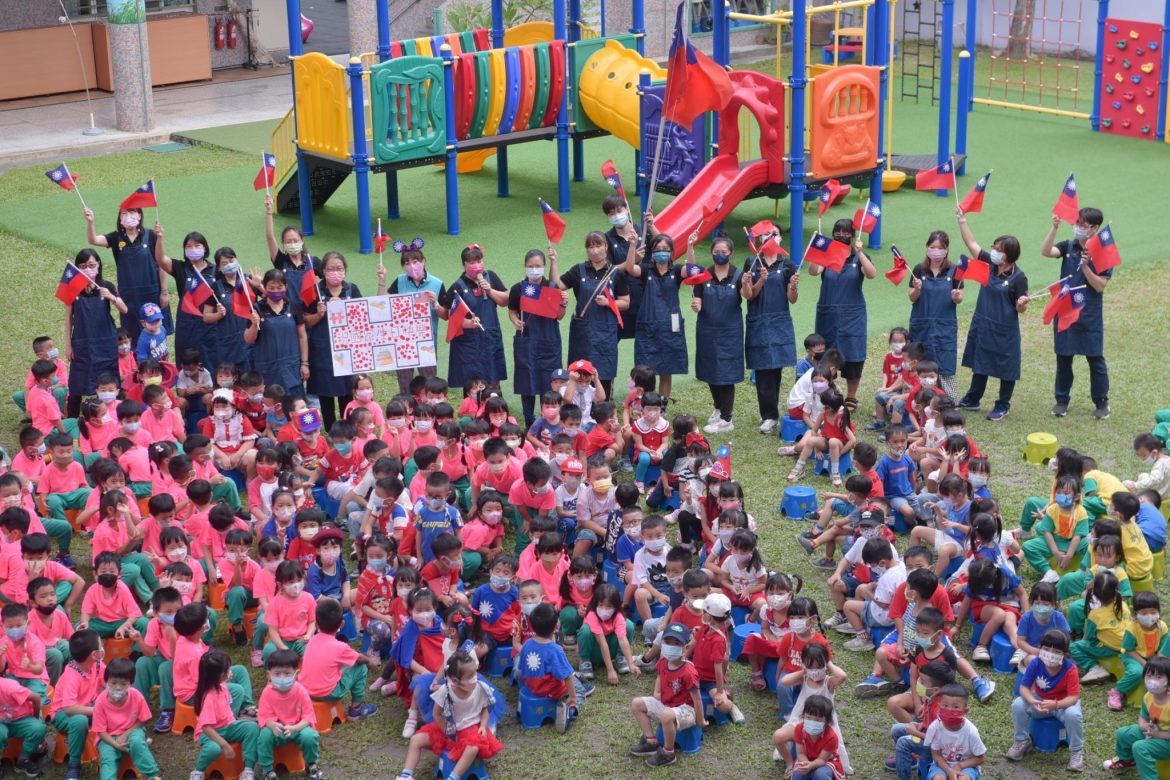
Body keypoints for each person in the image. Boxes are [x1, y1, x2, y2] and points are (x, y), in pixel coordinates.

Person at [954, 209, 1030, 421]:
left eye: (999, 250)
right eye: (994, 248)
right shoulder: (989, 263)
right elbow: (972, 244)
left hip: (1005, 329)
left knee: (1006, 367)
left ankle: (1003, 404)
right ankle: (973, 398)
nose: (994, 252)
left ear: (1009, 256)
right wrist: (962, 220)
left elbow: (1020, 308)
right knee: (980, 361)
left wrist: (1022, 303)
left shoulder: (1018, 277)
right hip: (983, 322)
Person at [1040, 207, 1112, 418]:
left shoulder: (1104, 251)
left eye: (1083, 224)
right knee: (1064, 357)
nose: (1078, 227)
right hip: (1065, 311)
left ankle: (1101, 402)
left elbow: (1100, 286)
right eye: (1077, 222)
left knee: (1095, 358)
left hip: (1089, 314)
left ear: (1095, 228)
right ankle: (1061, 401)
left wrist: (1087, 266)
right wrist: (1054, 228)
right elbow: (1046, 251)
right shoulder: (1069, 246)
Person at [394, 650, 504, 780]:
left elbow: (486, 708)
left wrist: (483, 725)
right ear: (456, 681)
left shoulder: (480, 688)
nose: (474, 679)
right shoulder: (445, 691)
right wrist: (447, 731)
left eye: (475, 673)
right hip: (448, 729)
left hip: (471, 730)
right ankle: (406, 775)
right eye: (469, 677)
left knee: (473, 748)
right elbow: (437, 714)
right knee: (415, 740)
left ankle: (453, 777)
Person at [305, 251, 381, 430]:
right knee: (325, 393)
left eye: (339, 268)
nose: (335, 272)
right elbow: (306, 320)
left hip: (347, 349)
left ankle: (348, 428)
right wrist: (320, 313)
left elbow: (363, 316)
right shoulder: (315, 291)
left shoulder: (352, 289)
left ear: (345, 270)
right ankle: (332, 430)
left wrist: (344, 308)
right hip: (322, 349)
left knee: (346, 389)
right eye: (330, 269)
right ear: (323, 271)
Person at [808, 219, 876, 407]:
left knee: (853, 356)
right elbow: (813, 271)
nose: (842, 235)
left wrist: (860, 252)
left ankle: (851, 396)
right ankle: (830, 392)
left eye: (846, 232)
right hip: (828, 314)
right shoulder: (827, 255)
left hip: (852, 316)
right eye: (838, 231)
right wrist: (817, 251)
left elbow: (871, 274)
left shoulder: (858, 258)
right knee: (826, 354)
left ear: (853, 235)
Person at [559, 231, 631, 399]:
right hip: (582, 331)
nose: (594, 250)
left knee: (603, 372)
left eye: (598, 245)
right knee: (579, 371)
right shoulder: (578, 270)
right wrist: (554, 262)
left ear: (606, 247)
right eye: (590, 246)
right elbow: (558, 285)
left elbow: (626, 303)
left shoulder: (616, 273)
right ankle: (577, 410)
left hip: (605, 332)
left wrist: (608, 303)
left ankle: (602, 410)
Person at [689, 232, 749, 434]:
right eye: (716, 251)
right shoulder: (703, 275)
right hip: (707, 331)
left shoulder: (739, 275)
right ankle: (717, 408)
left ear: (731, 253)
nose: (720, 254)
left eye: (724, 251)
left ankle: (727, 418)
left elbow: (747, 296)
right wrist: (696, 305)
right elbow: (697, 300)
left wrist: (748, 285)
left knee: (727, 374)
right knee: (710, 371)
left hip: (730, 333)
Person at [742, 222, 798, 435]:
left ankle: (770, 409)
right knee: (763, 369)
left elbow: (792, 299)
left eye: (774, 233)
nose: (770, 237)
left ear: (780, 237)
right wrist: (759, 281)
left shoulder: (787, 264)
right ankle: (769, 415)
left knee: (775, 369)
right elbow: (748, 295)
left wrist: (792, 286)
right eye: (765, 234)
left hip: (780, 322)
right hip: (758, 320)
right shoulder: (752, 262)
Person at [84, 204, 170, 341]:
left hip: (151, 292)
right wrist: (90, 222)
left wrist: (164, 291)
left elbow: (161, 264)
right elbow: (93, 240)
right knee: (132, 334)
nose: (128, 216)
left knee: (156, 333)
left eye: (132, 212)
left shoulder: (152, 235)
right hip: (129, 296)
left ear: (140, 215)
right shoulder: (116, 237)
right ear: (120, 218)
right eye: (123, 213)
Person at [628, 622, 704, 768]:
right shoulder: (663, 661)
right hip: (667, 705)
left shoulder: (689, 672)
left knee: (667, 715)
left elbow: (698, 700)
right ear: (661, 642)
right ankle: (651, 742)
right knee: (637, 703)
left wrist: (700, 720)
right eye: (668, 642)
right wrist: (656, 692)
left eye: (676, 643)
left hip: (687, 710)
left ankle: (669, 753)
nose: (671, 646)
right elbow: (660, 675)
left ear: (685, 647)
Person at [1007, 628, 1084, 771]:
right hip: (1040, 702)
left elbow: (1073, 697)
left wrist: (1056, 704)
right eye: (1046, 649)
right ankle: (1021, 741)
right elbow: (1024, 688)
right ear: (1040, 648)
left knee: (1073, 715)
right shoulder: (1036, 663)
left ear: (1064, 653)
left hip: (1063, 704)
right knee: (1018, 704)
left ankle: (1076, 752)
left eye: (1056, 652)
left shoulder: (1070, 669)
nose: (1050, 654)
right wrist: (1031, 700)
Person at [624, 232, 687, 401]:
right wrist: (632, 246)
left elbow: (692, 270)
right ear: (651, 252)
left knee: (667, 369)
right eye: (658, 249)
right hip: (648, 326)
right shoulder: (646, 270)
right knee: (645, 371)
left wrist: (691, 247)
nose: (661, 251)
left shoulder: (678, 270)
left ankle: (663, 405)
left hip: (669, 326)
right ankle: (645, 403)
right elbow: (630, 268)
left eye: (665, 249)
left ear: (671, 252)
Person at [507, 248, 567, 427]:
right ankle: (529, 421)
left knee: (548, 383)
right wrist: (515, 321)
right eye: (530, 266)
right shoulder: (518, 288)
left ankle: (547, 420)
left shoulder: (552, 287)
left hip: (549, 339)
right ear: (525, 267)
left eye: (538, 266)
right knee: (527, 381)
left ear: (544, 266)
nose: (534, 270)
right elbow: (511, 312)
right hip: (527, 340)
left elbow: (559, 315)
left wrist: (563, 304)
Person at [64, 249, 126, 418]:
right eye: (82, 266)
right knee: (76, 385)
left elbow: (124, 309)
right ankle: (72, 423)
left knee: (110, 381)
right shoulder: (73, 288)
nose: (88, 269)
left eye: (91, 265)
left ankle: (116, 417)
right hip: (82, 342)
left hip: (105, 343)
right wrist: (68, 345)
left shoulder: (107, 286)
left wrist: (111, 297)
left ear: (98, 265)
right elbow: (68, 318)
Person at [152, 224, 220, 369]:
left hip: (209, 326)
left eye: (197, 245)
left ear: (205, 248)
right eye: (189, 246)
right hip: (187, 325)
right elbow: (160, 259)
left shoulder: (216, 270)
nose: (193, 249)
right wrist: (160, 238)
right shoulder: (180, 268)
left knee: (210, 363)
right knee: (186, 363)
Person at [440, 244, 508, 387]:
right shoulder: (457, 286)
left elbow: (505, 301)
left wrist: (490, 291)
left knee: (493, 381)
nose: (477, 265)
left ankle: (494, 406)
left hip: (490, 338)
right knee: (471, 385)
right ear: (464, 265)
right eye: (472, 263)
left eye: (479, 261)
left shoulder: (491, 277)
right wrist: (469, 323)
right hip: (468, 345)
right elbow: (450, 317)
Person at [190, 649, 261, 780]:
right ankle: (198, 772)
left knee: (252, 728)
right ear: (216, 676)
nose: (229, 672)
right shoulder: (209, 698)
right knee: (213, 749)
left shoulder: (222, 685)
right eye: (226, 671)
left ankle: (248, 769)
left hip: (228, 726)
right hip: (209, 733)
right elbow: (206, 727)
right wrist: (224, 745)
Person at [908, 231, 963, 400]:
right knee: (920, 361)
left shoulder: (954, 271)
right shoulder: (918, 269)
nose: (936, 251)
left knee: (945, 364)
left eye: (940, 248)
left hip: (944, 326)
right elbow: (911, 297)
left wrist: (956, 296)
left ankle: (947, 401)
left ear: (946, 250)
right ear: (927, 248)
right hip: (922, 324)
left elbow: (960, 297)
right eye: (932, 247)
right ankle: (919, 400)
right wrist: (917, 288)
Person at [257, 649, 324, 780]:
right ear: (269, 675)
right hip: (277, 731)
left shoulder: (300, 691)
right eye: (277, 673)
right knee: (264, 736)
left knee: (309, 735)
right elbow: (264, 717)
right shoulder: (267, 693)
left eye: (287, 673)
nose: (282, 678)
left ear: (296, 674)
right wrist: (272, 724)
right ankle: (268, 770)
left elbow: (308, 717)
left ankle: (311, 764)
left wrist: (295, 728)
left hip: (297, 729)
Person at [92, 658, 160, 780]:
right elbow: (101, 732)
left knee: (137, 742)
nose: (118, 687)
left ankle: (152, 775)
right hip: (108, 738)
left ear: (131, 683)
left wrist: (126, 734)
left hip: (132, 731)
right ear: (106, 681)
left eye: (123, 684)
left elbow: (143, 719)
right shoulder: (100, 701)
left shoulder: (136, 696)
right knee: (108, 759)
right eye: (113, 683)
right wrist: (116, 745)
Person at [1104, 656, 1170, 774]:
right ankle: (1126, 760)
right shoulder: (1148, 697)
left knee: (1139, 747)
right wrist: (1144, 725)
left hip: (1167, 740)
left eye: (1158, 677)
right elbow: (1143, 716)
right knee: (1123, 733)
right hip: (1153, 732)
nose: (1152, 680)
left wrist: (1158, 734)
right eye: (1149, 676)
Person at [207, 248, 253, 371]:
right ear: (219, 268)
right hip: (229, 345)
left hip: (251, 339)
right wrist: (218, 315)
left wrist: (259, 286)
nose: (229, 265)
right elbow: (206, 317)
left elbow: (269, 300)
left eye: (231, 260)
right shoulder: (215, 287)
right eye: (224, 263)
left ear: (237, 260)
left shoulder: (249, 280)